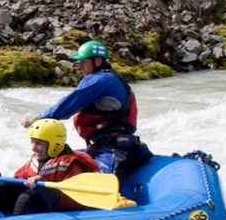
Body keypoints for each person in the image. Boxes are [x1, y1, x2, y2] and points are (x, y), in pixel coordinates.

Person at [20, 40, 151, 176]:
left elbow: (68, 105)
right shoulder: (105, 78)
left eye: (83, 62)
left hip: (113, 148)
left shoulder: (102, 80)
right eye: (79, 62)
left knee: (99, 177)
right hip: (100, 146)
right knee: (62, 161)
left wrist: (38, 120)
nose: (79, 66)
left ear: (98, 61)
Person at [0, 119, 98, 215]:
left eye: (39, 143)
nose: (33, 148)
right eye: (32, 142)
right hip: (40, 204)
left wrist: (45, 188)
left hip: (56, 208)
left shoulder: (72, 165)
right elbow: (18, 179)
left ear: (55, 144)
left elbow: (75, 201)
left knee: (27, 197)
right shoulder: (37, 160)